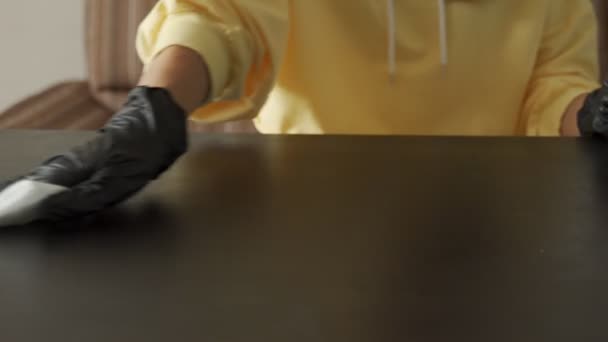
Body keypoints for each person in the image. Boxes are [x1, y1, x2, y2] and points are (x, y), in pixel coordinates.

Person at [0, 0, 607, 226]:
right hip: (309, 214)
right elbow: (221, 18)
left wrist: (588, 112)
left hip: (494, 219)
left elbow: (552, 89)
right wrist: (152, 106)